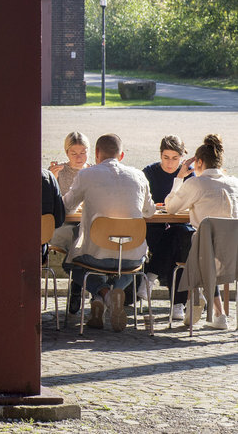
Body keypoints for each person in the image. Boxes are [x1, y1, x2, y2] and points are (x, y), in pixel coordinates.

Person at [63, 133, 155, 332]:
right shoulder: (139, 175)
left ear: (96, 154)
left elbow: (67, 206)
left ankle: (103, 295)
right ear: (121, 155)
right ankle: (115, 292)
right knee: (134, 266)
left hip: (96, 254)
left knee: (72, 265)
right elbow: (150, 211)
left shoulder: (86, 175)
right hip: (131, 256)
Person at [163, 134, 238, 330]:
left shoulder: (197, 184)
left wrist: (179, 178)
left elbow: (171, 207)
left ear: (199, 162)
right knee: (204, 249)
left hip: (205, 251)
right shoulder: (235, 183)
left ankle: (212, 309)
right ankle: (205, 305)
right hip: (232, 252)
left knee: (192, 243)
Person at [142, 135, 194, 320]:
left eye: (175, 158)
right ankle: (178, 305)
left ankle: (150, 276)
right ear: (160, 155)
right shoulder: (149, 172)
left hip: (178, 227)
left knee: (177, 238)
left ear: (181, 157)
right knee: (177, 244)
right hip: (154, 228)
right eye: (166, 157)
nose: (170, 163)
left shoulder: (188, 174)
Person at [48, 130, 90, 309]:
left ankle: (77, 286)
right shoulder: (60, 171)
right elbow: (52, 205)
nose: (79, 157)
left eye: (83, 152)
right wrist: (53, 178)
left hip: (87, 224)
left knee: (82, 235)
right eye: (74, 153)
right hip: (64, 223)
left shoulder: (94, 171)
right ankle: (82, 287)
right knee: (77, 236)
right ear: (67, 153)